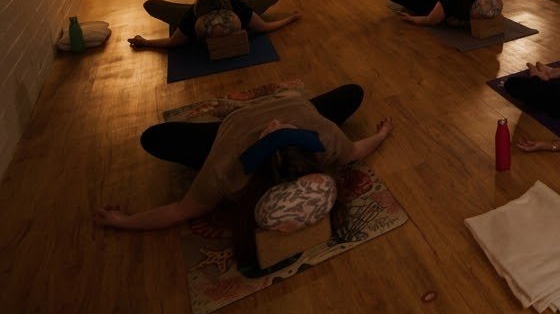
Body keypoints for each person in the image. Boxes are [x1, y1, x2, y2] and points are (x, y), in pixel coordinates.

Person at [93, 83, 392, 231]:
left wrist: (123, 221)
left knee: (155, 137)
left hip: (229, 128)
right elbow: (356, 151)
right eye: (280, 129)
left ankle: (228, 112)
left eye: (272, 132)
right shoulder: (326, 139)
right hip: (276, 112)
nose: (273, 123)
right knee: (352, 92)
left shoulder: (226, 167)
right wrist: (380, 136)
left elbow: (179, 210)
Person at [127, 0, 301, 49]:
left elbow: (172, 42)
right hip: (196, 11)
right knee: (153, 5)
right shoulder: (192, 15)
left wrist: (145, 42)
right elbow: (264, 27)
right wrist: (290, 18)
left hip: (231, 9)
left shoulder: (235, 5)